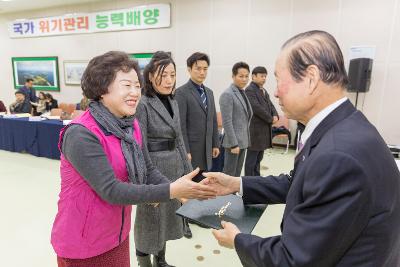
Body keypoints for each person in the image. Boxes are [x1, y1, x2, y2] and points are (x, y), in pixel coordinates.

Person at [204, 30, 400, 267]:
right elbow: (298, 182)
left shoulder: (338, 156)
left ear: (310, 78)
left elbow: (294, 260)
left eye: (279, 79)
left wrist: (238, 240)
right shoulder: (346, 126)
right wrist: (236, 184)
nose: (275, 92)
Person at [50, 51, 216, 267]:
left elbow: (147, 168)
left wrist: (180, 192)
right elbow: (111, 190)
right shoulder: (81, 133)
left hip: (116, 234)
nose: (135, 92)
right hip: (83, 242)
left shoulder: (129, 124)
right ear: (102, 88)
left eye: (137, 85)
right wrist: (172, 191)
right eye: (126, 85)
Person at [134, 51, 192, 267]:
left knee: (167, 219)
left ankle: (161, 259)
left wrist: (188, 174)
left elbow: (179, 139)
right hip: (153, 170)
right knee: (149, 219)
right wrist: (145, 182)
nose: (169, 80)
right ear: (150, 76)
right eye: (163, 75)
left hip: (174, 167)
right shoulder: (143, 103)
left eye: (172, 74)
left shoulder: (173, 101)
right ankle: (143, 261)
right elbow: (139, 146)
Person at [175, 52, 220, 238]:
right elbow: (180, 124)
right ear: (189, 69)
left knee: (201, 182)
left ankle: (197, 215)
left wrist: (215, 143)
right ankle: (184, 221)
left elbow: (212, 121)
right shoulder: (181, 93)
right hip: (191, 150)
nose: (202, 72)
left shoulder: (209, 92)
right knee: (188, 185)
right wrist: (185, 149)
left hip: (206, 148)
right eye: (198, 69)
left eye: (205, 69)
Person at [219, 62, 253, 177]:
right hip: (233, 143)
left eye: (246, 76)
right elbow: (227, 122)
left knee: (237, 174)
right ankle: (225, 195)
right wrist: (234, 144)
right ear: (233, 76)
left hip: (243, 141)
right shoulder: (228, 94)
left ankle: (233, 194)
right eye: (241, 76)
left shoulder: (242, 92)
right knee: (229, 173)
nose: (244, 79)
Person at [244, 66, 278, 176]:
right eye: (261, 76)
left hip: (263, 131)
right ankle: (248, 182)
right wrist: (270, 119)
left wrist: (275, 114)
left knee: (258, 159)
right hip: (255, 132)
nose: (264, 78)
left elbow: (270, 105)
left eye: (265, 76)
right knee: (251, 160)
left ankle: (256, 179)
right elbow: (256, 108)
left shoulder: (263, 90)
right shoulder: (249, 90)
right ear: (253, 76)